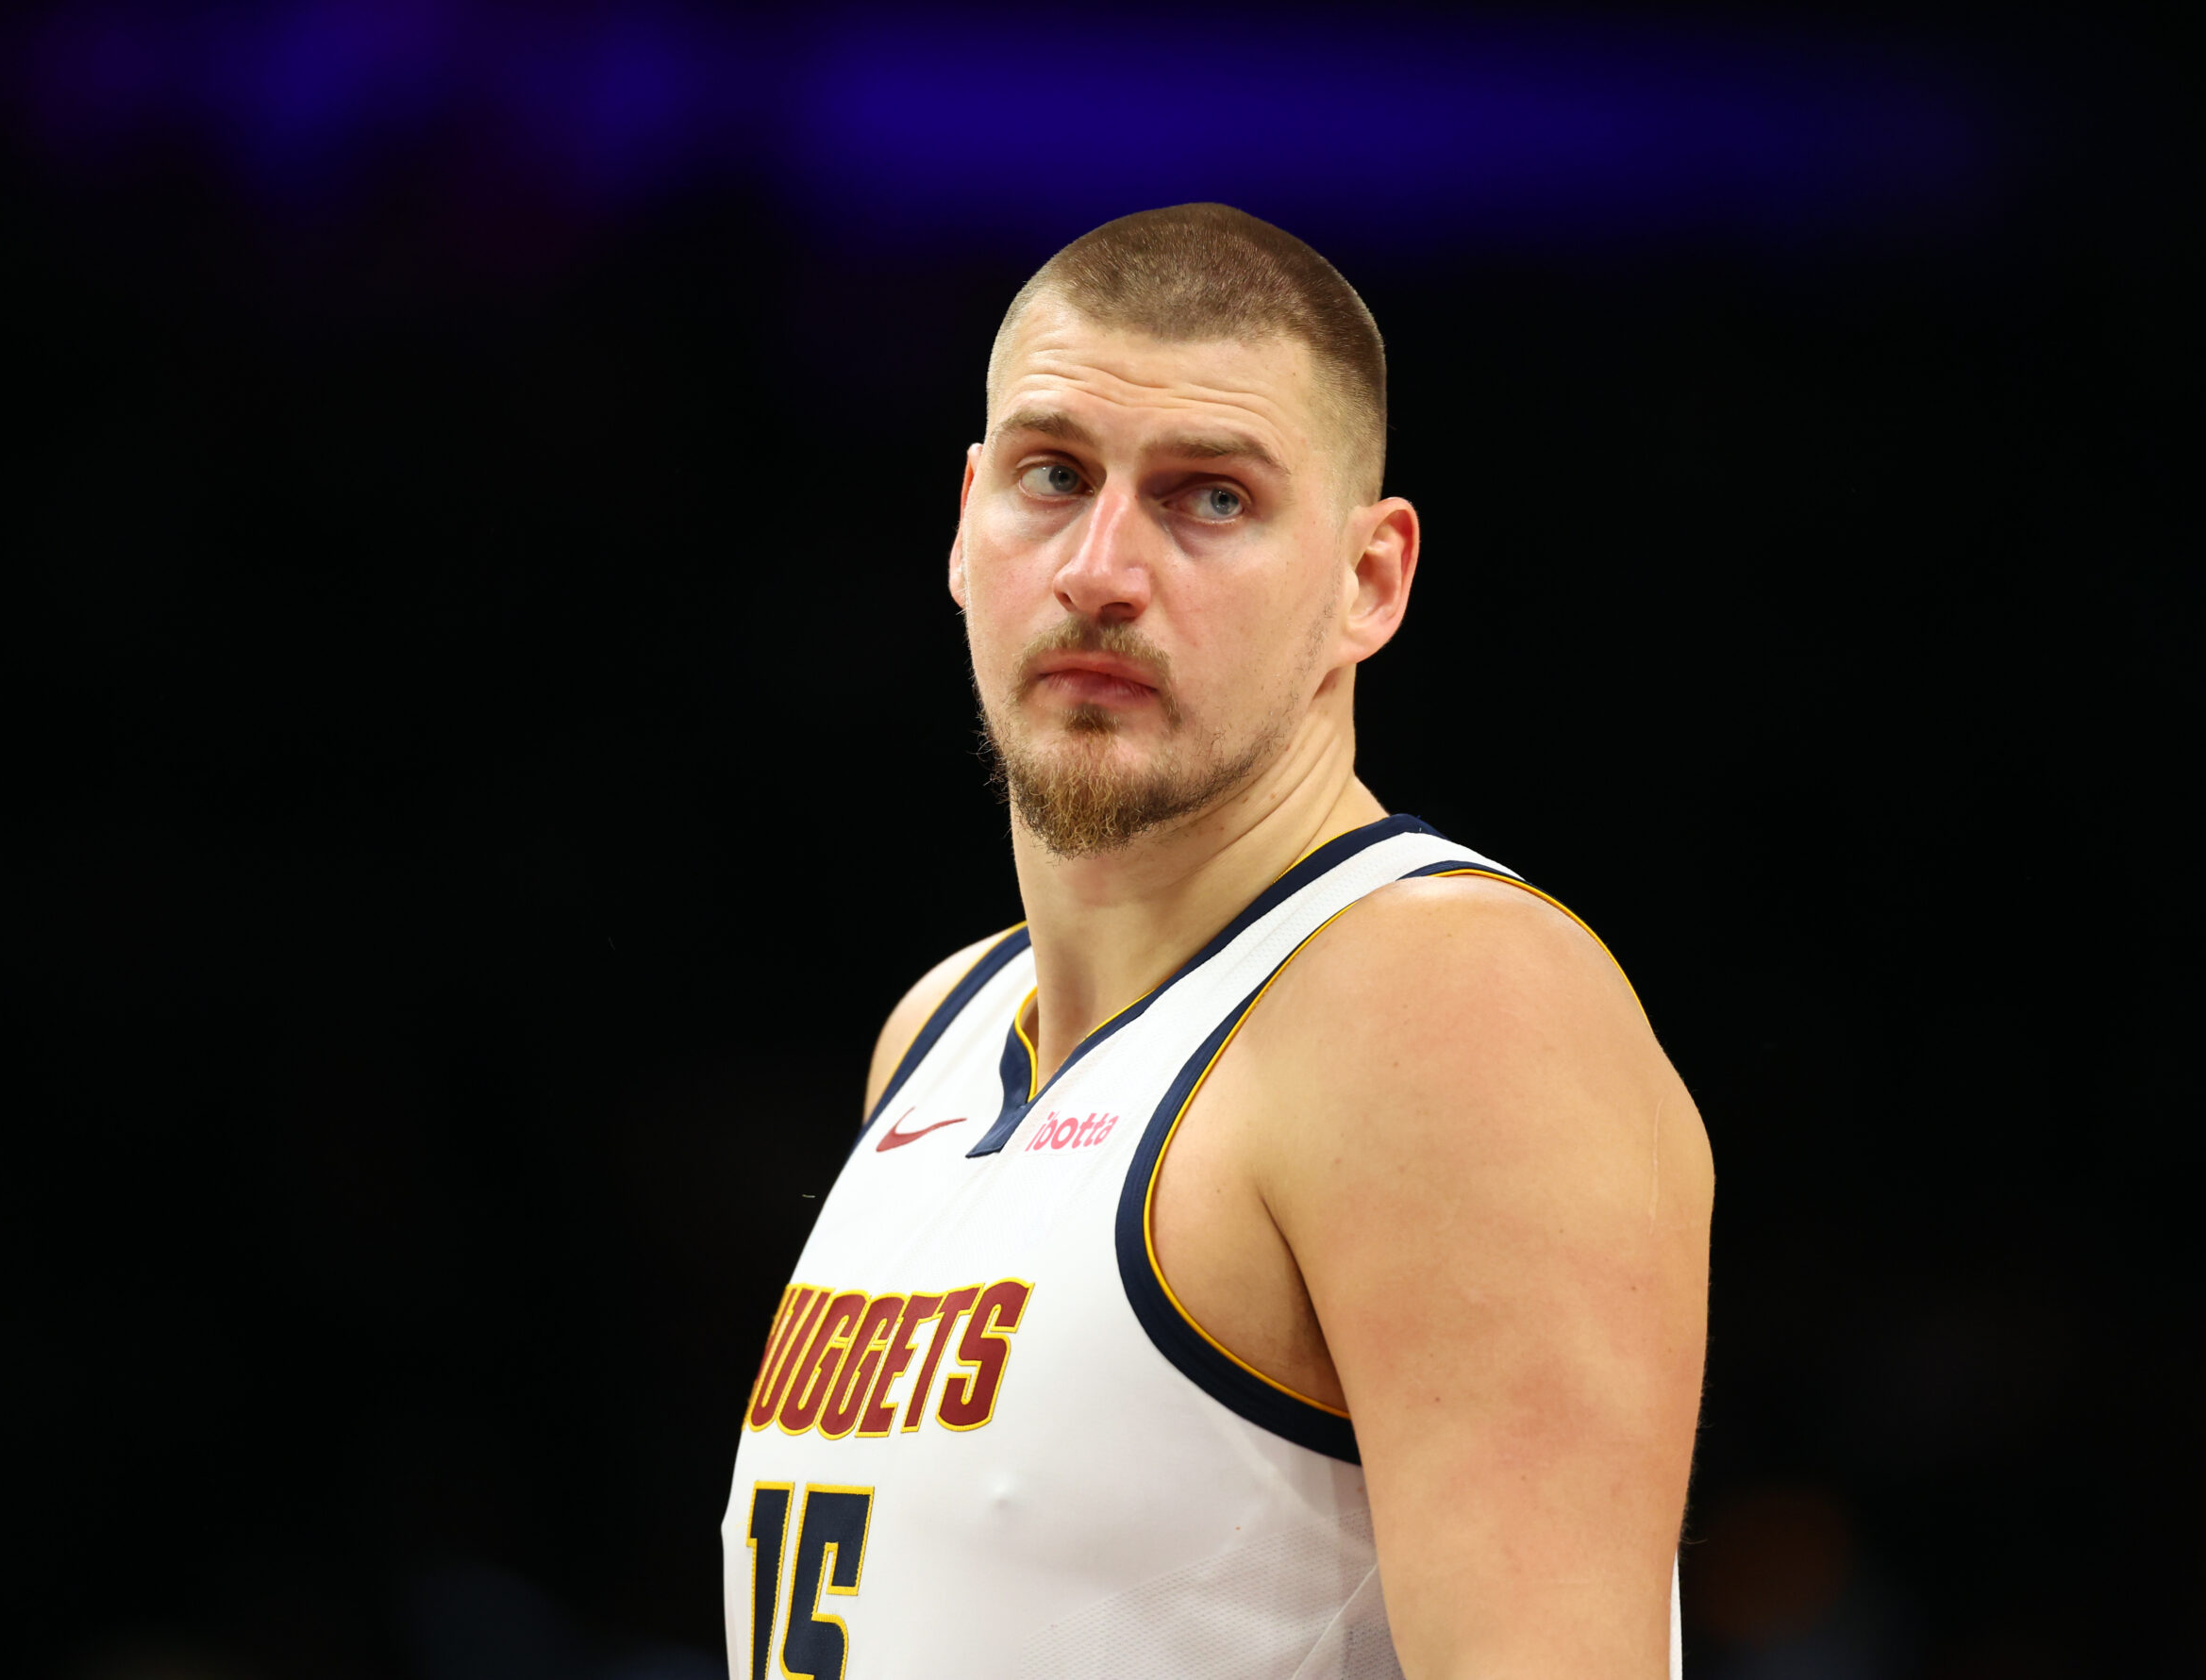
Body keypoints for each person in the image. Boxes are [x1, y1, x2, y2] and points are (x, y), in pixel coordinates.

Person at [721, 203, 1712, 1680]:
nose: (1101, 569)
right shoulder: (937, 1031)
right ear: (964, 521)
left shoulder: (1453, 1002)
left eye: (1212, 499)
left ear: (1370, 581)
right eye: (1055, 477)